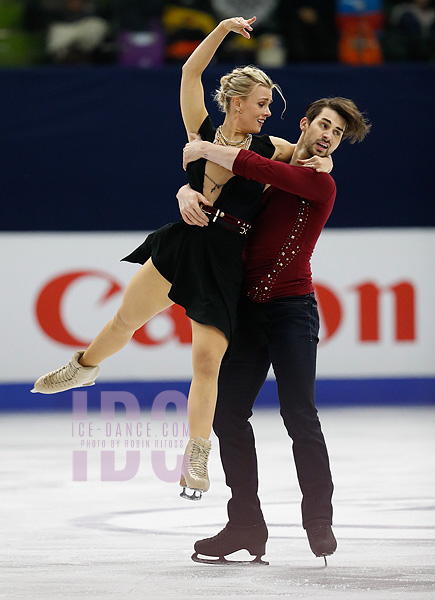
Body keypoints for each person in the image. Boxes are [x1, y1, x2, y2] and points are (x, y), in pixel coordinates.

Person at [31, 16, 329, 501]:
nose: (267, 112)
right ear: (236, 103)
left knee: (207, 360)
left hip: (226, 259)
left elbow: (309, 169)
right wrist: (223, 29)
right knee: (124, 321)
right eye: (261, 104)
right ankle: (83, 366)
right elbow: (190, 73)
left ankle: (196, 453)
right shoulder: (203, 127)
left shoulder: (272, 148)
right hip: (183, 245)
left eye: (269, 105)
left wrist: (327, 159)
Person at [179, 96, 371, 562]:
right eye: (323, 125)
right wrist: (185, 192)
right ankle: (245, 522)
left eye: (338, 134)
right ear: (304, 124)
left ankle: (318, 519)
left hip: (292, 311)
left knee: (299, 415)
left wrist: (201, 147)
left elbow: (253, 168)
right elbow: (224, 192)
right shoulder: (275, 158)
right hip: (247, 309)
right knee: (227, 415)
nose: (328, 136)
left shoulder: (319, 183)